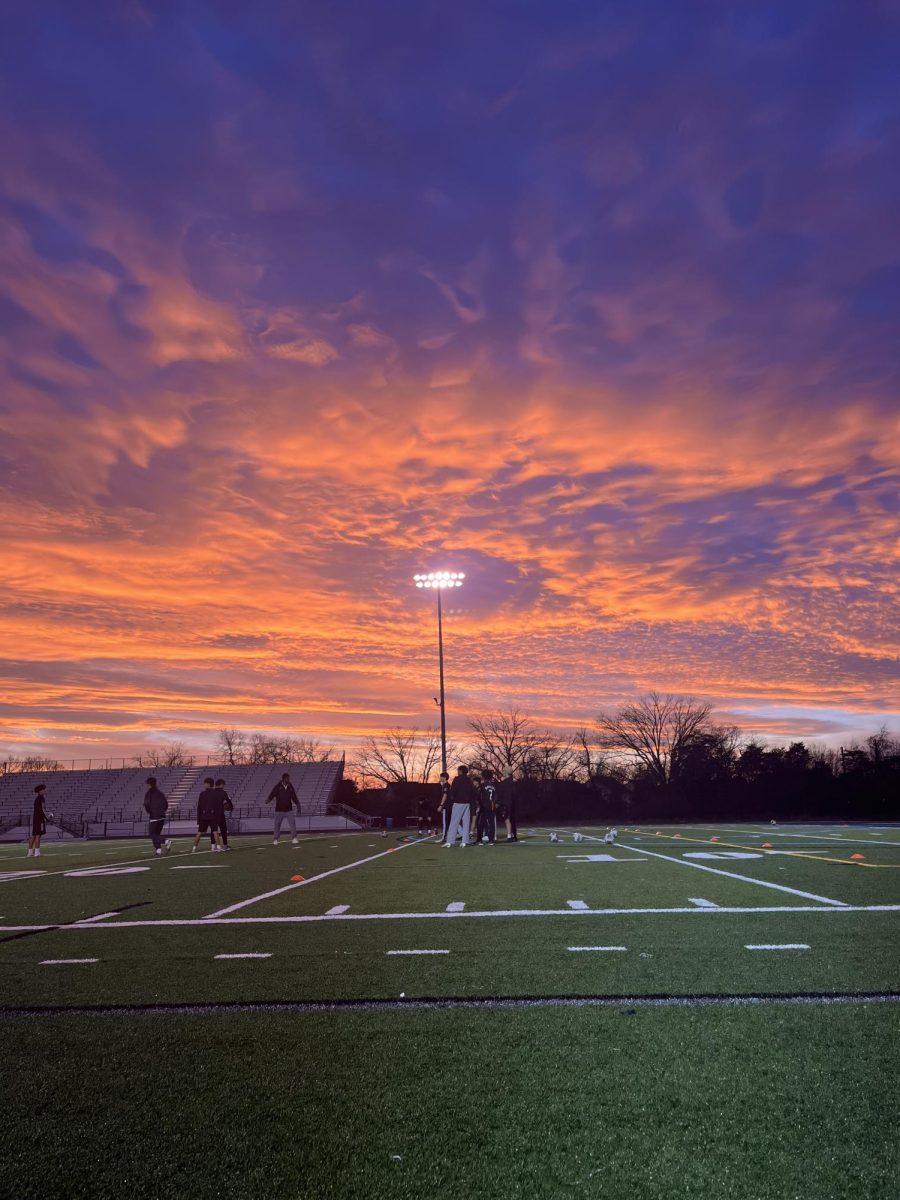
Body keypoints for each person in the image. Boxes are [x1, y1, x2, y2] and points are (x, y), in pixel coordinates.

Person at [443, 765, 477, 848]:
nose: (457, 772)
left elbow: (453, 790)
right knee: (466, 823)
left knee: (454, 822)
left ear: (461, 771)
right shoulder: (469, 780)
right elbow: (473, 792)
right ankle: (465, 841)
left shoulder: (457, 779)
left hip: (458, 803)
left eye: (458, 770)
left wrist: (452, 799)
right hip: (467, 803)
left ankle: (450, 842)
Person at [267, 772, 300, 844]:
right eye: (287, 778)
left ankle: (294, 838)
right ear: (284, 779)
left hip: (289, 809)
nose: (289, 779)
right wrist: (268, 800)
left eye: (289, 778)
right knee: (277, 824)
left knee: (292, 823)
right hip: (279, 809)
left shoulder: (290, 786)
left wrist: (298, 805)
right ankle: (275, 839)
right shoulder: (278, 786)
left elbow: (294, 797)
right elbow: (272, 794)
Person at [143, 776, 172, 857]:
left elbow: (147, 804)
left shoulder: (149, 793)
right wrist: (163, 811)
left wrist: (149, 811)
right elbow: (166, 804)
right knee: (157, 834)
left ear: (149, 784)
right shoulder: (160, 793)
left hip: (154, 816)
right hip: (162, 815)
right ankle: (158, 850)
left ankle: (166, 841)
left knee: (152, 834)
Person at [192, 778, 223, 853]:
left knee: (201, 832)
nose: (204, 785)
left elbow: (199, 807)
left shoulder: (202, 794)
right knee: (214, 831)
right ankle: (218, 847)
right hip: (212, 816)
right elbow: (218, 805)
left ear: (208, 784)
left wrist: (199, 818)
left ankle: (194, 848)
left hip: (204, 815)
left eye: (205, 783)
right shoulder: (215, 793)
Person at [27, 784, 52, 857]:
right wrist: (47, 817)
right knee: (38, 835)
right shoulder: (41, 798)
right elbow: (42, 810)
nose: (45, 790)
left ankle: (30, 852)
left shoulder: (37, 799)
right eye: (44, 789)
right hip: (40, 819)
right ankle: (37, 852)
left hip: (36, 818)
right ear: (40, 791)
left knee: (34, 835)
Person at [475, 769, 497, 845]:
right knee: (491, 823)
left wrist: (478, 805)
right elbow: (495, 796)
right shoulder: (493, 786)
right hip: (491, 806)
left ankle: (479, 840)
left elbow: (478, 796)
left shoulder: (482, 785)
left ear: (483, 777)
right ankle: (491, 840)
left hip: (484, 806)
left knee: (480, 823)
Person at [497, 766, 518, 842]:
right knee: (511, 819)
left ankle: (509, 836)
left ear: (506, 772)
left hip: (506, 803)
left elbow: (502, 794)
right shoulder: (512, 782)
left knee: (507, 819)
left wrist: (500, 803)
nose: (502, 772)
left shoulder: (505, 783)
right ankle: (513, 836)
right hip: (511, 803)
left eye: (503, 770)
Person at [214, 778, 233, 850]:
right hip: (220, 813)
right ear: (221, 784)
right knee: (223, 830)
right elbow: (228, 801)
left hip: (213, 814)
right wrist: (230, 807)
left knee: (214, 830)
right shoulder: (223, 792)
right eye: (223, 785)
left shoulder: (211, 792)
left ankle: (213, 846)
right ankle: (225, 845)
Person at [436, 771, 452, 842]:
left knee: (445, 822)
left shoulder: (446, 785)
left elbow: (445, 796)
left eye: (441, 777)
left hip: (447, 806)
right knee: (452, 821)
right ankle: (461, 834)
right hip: (448, 806)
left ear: (444, 778)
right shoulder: (445, 785)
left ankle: (444, 838)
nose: (440, 778)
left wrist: (441, 806)